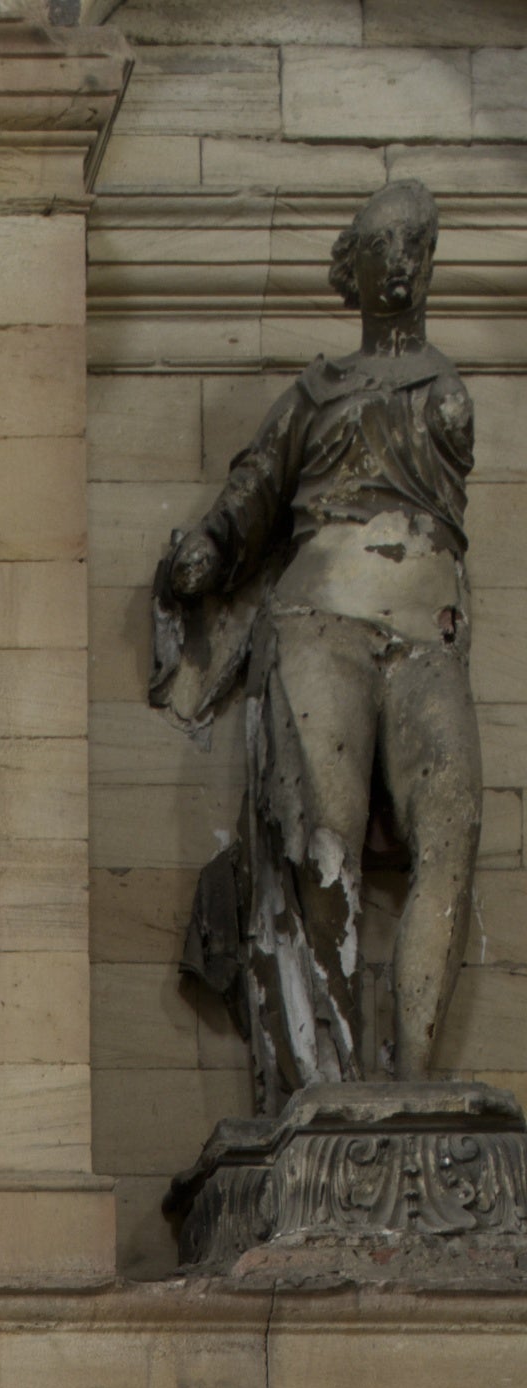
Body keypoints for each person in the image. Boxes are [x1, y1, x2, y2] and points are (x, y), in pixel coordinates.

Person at [152, 178, 479, 1111]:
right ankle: (328, 1087)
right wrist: (207, 552)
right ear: (359, 266)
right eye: (387, 246)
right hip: (321, 618)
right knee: (322, 842)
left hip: (427, 631)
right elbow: (252, 493)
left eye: (418, 244)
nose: (405, 263)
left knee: (451, 831)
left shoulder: (441, 377)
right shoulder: (319, 391)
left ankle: (416, 1089)